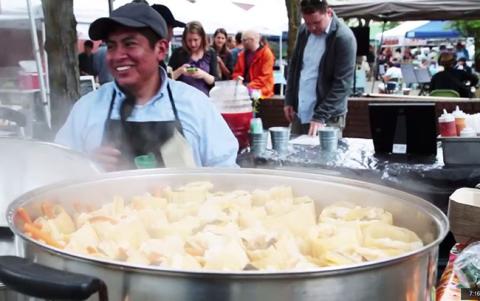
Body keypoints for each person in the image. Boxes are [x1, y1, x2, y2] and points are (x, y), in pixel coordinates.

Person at [55, 3, 238, 170]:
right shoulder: (87, 108)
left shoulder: (196, 105)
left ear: (161, 49)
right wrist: (85, 165)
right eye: (111, 46)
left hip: (184, 206)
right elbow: (58, 170)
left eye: (130, 44)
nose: (117, 55)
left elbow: (227, 175)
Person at [284, 0, 356, 136]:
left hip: (328, 117)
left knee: (325, 156)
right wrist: (289, 99)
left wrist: (320, 115)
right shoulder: (303, 31)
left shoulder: (344, 38)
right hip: (301, 110)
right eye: (307, 22)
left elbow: (343, 84)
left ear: (328, 12)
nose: (312, 28)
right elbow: (295, 67)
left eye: (316, 23)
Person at [168, 21, 218, 96]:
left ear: (202, 38)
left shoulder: (211, 53)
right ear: (184, 39)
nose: (193, 44)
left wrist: (204, 75)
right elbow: (167, 79)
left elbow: (217, 82)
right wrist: (180, 71)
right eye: (189, 40)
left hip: (205, 100)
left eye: (195, 40)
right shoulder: (178, 53)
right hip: (182, 100)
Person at [232, 29, 275, 98]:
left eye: (244, 40)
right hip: (245, 88)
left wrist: (248, 86)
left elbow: (264, 77)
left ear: (252, 40)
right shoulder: (242, 55)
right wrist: (237, 81)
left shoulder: (266, 53)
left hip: (262, 89)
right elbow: (237, 72)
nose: (242, 43)